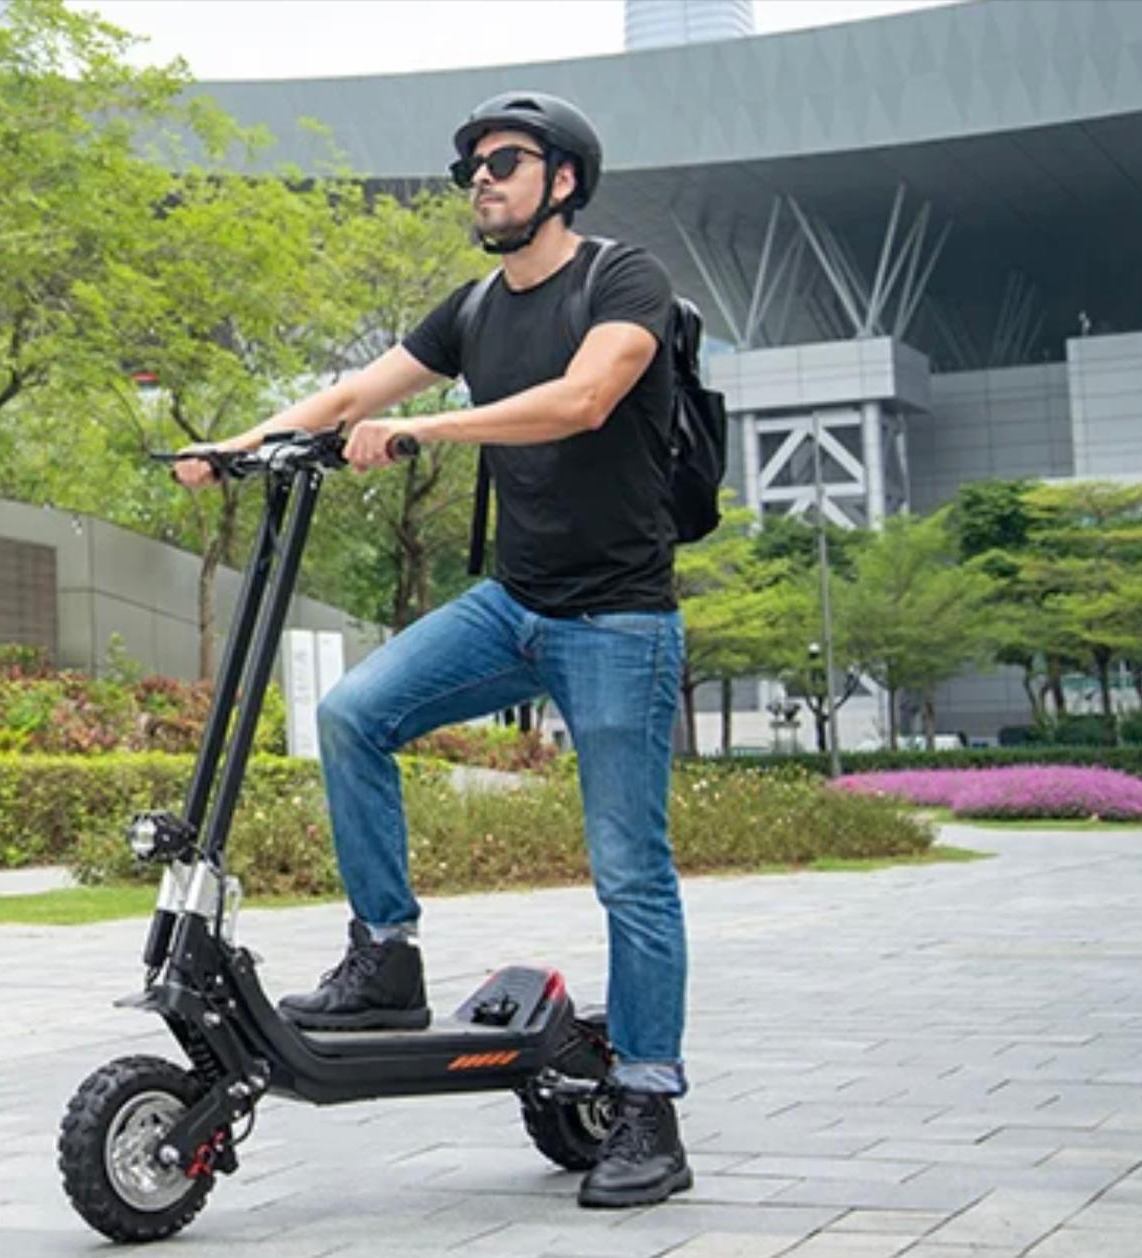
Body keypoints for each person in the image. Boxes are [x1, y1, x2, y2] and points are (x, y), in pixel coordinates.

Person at [174, 92, 691, 1209]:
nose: (481, 181)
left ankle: (648, 1103)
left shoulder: (621, 281)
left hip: (618, 622)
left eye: (503, 161)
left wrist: (424, 429)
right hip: (515, 605)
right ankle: (387, 958)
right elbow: (355, 393)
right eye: (469, 169)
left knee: (630, 871)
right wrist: (239, 444)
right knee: (354, 714)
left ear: (562, 178)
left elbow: (584, 398)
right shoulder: (472, 310)